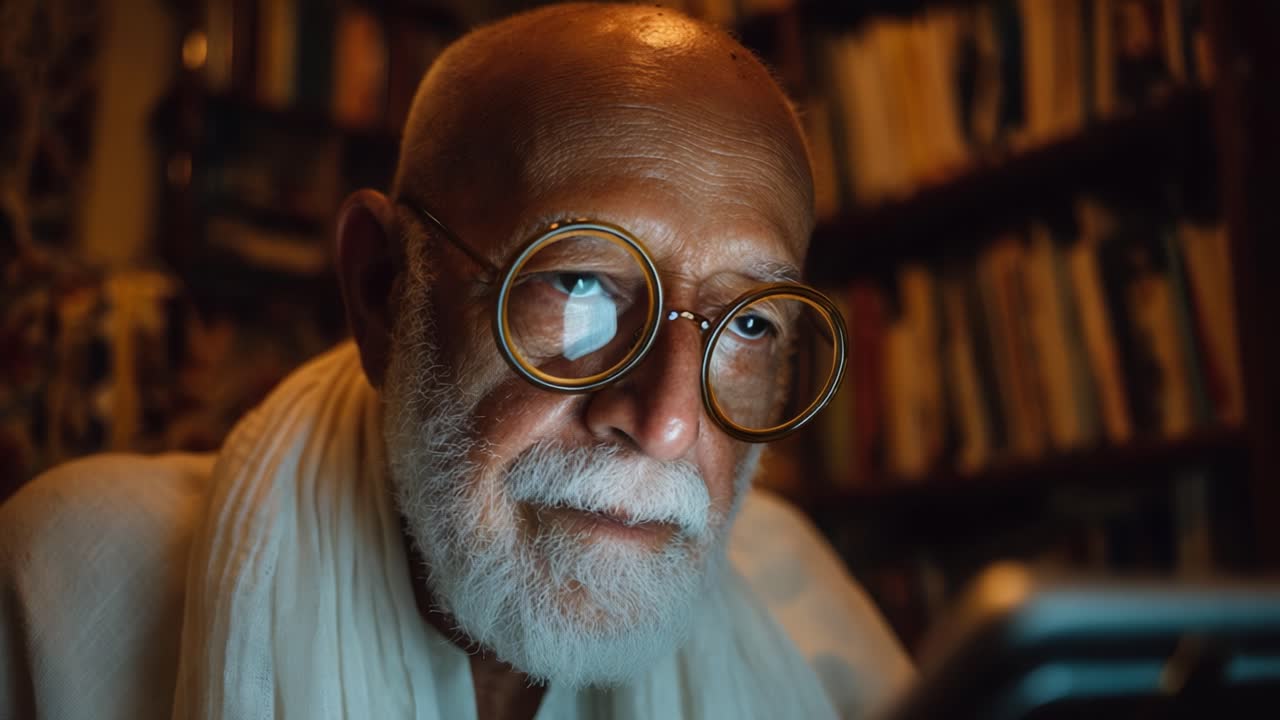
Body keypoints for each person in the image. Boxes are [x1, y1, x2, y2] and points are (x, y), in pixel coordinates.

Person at [0, 3, 914, 718]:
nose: (668, 421)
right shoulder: (68, 589)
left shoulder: (805, 611)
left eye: (747, 326)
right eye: (581, 282)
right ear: (381, 289)